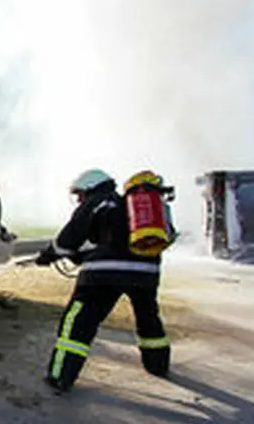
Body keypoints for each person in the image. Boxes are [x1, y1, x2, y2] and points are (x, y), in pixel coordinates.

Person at [33, 168, 172, 393]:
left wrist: (50, 254)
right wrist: (82, 256)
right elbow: (112, 243)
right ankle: (158, 365)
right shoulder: (130, 208)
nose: (79, 199)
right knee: (148, 318)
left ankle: (61, 375)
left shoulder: (100, 201)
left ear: (91, 187)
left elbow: (71, 236)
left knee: (78, 322)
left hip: (104, 275)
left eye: (80, 194)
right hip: (146, 272)